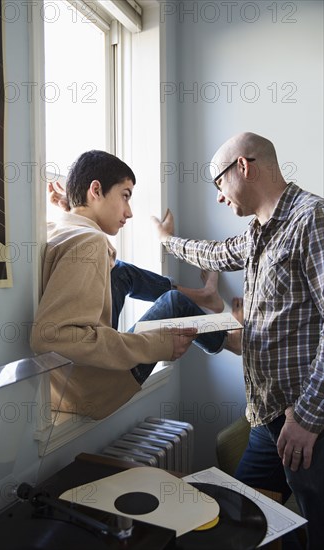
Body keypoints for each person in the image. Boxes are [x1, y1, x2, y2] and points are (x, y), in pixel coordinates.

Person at [153, 132, 324, 549]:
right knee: (235, 513)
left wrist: (308, 417)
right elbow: (214, 253)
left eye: (218, 183)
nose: (217, 197)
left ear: (243, 167)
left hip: (305, 422)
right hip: (269, 419)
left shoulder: (312, 219)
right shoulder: (258, 233)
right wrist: (164, 241)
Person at [31, 150, 240, 421]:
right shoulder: (89, 242)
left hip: (66, 387)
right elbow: (51, 336)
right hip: (95, 388)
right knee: (174, 305)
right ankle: (229, 339)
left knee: (121, 272)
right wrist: (156, 345)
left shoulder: (58, 230)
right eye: (125, 195)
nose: (129, 212)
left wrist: (72, 209)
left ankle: (205, 295)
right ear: (96, 189)